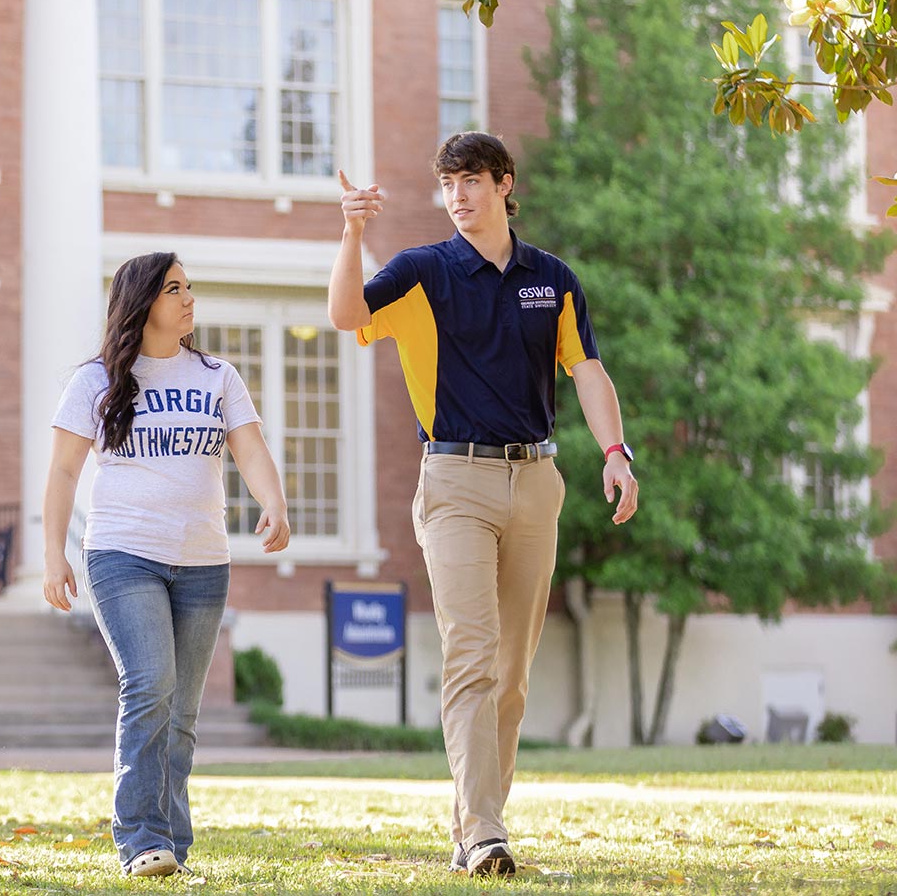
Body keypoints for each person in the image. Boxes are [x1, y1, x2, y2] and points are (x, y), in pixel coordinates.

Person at [328, 133, 639, 878]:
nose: (459, 197)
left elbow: (588, 372)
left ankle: (474, 824)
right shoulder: (420, 273)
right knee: (470, 654)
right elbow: (344, 315)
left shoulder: (552, 280)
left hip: (536, 482)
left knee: (513, 674)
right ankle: (487, 835)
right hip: (455, 482)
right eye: (448, 185)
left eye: (472, 181)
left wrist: (617, 453)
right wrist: (352, 232)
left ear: (505, 184)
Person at [42, 252, 290, 878]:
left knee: (182, 711)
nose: (189, 299)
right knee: (150, 683)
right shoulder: (96, 380)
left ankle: (171, 843)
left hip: (204, 560)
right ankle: (139, 837)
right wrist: (53, 556)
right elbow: (64, 471)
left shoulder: (217, 376)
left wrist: (274, 503)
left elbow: (250, 449)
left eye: (189, 288)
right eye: (175, 288)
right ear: (144, 301)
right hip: (123, 554)